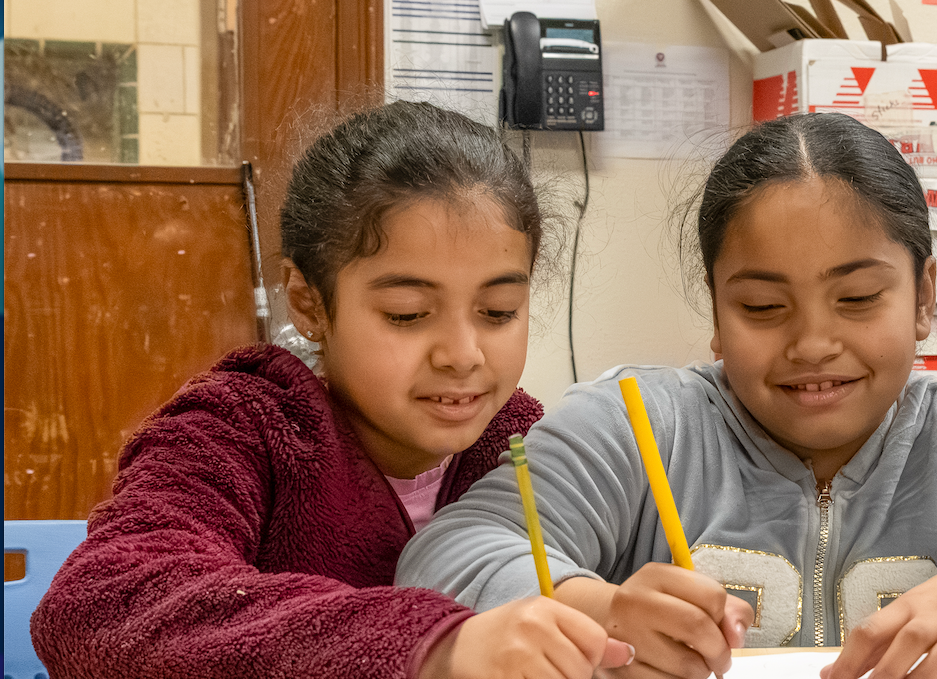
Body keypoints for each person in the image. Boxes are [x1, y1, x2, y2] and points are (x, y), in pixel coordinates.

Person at [397, 112, 937, 679]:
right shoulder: (639, 425)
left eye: (858, 298)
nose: (811, 342)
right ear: (715, 312)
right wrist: (601, 610)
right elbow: (446, 554)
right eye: (764, 308)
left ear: (925, 296)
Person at [31, 101, 631, 679]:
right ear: (308, 301)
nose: (462, 356)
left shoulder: (525, 442)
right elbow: (98, 606)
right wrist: (435, 645)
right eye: (406, 313)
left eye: (498, 311)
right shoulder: (236, 427)